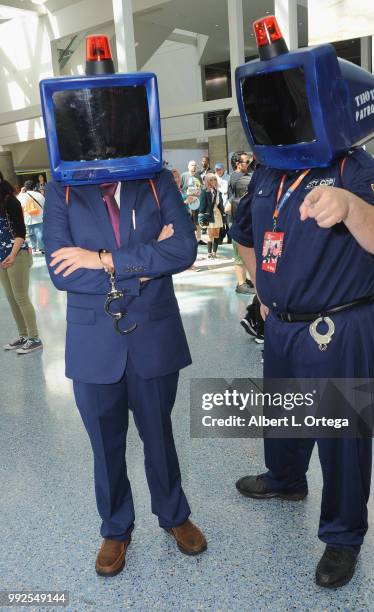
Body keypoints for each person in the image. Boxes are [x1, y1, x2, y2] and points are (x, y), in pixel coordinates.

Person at [230, 16, 374, 589]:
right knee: (281, 416)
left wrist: (352, 210)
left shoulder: (357, 170)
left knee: (342, 436)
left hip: (341, 327)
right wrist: (260, 285)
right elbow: (244, 231)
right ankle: (285, 478)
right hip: (280, 325)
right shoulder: (265, 172)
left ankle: (342, 535)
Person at [41, 35, 206, 579]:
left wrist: (104, 260)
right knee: (105, 446)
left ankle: (173, 515)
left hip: (153, 335)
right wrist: (142, 258)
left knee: (159, 434)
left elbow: (183, 248)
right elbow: (63, 272)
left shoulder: (155, 181)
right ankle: (115, 529)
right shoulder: (63, 190)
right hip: (94, 345)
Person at [0, 175, 42, 354]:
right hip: (3, 257)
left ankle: (34, 338)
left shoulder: (11, 202)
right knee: (11, 299)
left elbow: (20, 232)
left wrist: (12, 254)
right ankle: (23, 335)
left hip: (17, 255)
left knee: (21, 297)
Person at [228, 152, 255, 295]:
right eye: (246, 161)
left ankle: (246, 279)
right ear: (238, 164)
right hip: (239, 219)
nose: (249, 164)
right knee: (239, 254)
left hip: (242, 217)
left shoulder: (243, 176)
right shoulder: (238, 177)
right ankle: (241, 283)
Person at [198, 173, 225, 258]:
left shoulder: (217, 191)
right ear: (207, 181)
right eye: (211, 180)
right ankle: (209, 253)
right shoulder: (204, 191)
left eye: (214, 179)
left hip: (217, 213)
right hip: (209, 214)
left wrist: (223, 214)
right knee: (210, 234)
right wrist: (201, 216)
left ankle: (214, 253)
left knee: (217, 233)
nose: (213, 181)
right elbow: (202, 205)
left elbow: (220, 204)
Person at [17, 180, 45, 254]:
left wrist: (21, 192)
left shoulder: (22, 195)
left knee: (31, 233)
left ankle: (34, 248)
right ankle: (42, 248)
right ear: (34, 187)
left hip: (28, 217)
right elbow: (44, 204)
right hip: (39, 217)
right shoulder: (39, 195)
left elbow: (17, 201)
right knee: (39, 232)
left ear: (25, 187)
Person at [181, 160, 204, 245]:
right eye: (192, 165)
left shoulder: (198, 176)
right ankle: (189, 240)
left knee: (197, 221)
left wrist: (198, 192)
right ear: (188, 167)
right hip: (187, 202)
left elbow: (201, 188)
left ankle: (198, 239)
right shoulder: (184, 176)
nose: (194, 167)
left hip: (196, 202)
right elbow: (180, 188)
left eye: (195, 165)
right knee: (188, 221)